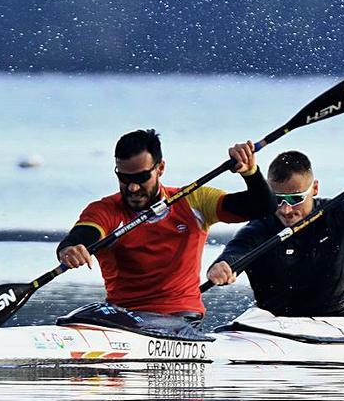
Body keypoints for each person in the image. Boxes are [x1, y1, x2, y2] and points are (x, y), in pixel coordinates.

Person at [56, 129, 275, 325]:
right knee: (77, 317)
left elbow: (263, 207)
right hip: (123, 317)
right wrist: (71, 249)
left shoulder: (194, 201)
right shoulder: (105, 209)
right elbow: (84, 234)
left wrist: (250, 172)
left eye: (141, 178)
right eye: (123, 178)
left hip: (180, 318)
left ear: (160, 168)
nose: (132, 187)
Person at [206, 150, 344, 317]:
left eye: (295, 199)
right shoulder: (261, 226)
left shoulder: (341, 212)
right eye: (278, 199)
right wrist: (222, 266)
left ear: (314, 188)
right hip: (269, 324)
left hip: (332, 322)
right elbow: (237, 251)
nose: (286, 210)